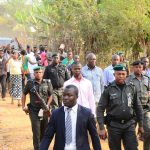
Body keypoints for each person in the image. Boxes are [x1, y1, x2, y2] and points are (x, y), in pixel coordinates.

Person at [97, 64, 144, 150]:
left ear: (126, 74)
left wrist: (141, 125)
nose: (121, 76)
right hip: (113, 126)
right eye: (119, 74)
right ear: (114, 74)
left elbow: (138, 107)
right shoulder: (108, 89)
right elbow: (100, 109)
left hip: (129, 125)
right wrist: (101, 128)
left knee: (132, 148)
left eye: (123, 74)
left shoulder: (131, 87)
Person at [40, 85, 102, 150]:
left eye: (69, 95)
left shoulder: (86, 113)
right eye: (64, 95)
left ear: (77, 97)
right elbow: (48, 136)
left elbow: (94, 136)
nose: (65, 98)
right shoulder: (56, 114)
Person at [21, 66, 53, 150]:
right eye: (36, 72)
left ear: (42, 73)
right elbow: (24, 94)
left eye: (40, 72)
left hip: (45, 111)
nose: (38, 74)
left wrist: (48, 105)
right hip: (33, 111)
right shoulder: (30, 83)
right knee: (36, 132)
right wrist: (23, 106)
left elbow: (51, 95)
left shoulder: (47, 82)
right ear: (34, 74)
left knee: (44, 131)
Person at [126, 60, 150, 150]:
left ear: (143, 68)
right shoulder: (128, 79)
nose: (138, 69)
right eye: (136, 67)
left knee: (148, 131)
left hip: (145, 110)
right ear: (133, 68)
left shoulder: (147, 78)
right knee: (130, 134)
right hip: (132, 111)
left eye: (140, 67)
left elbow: (148, 92)